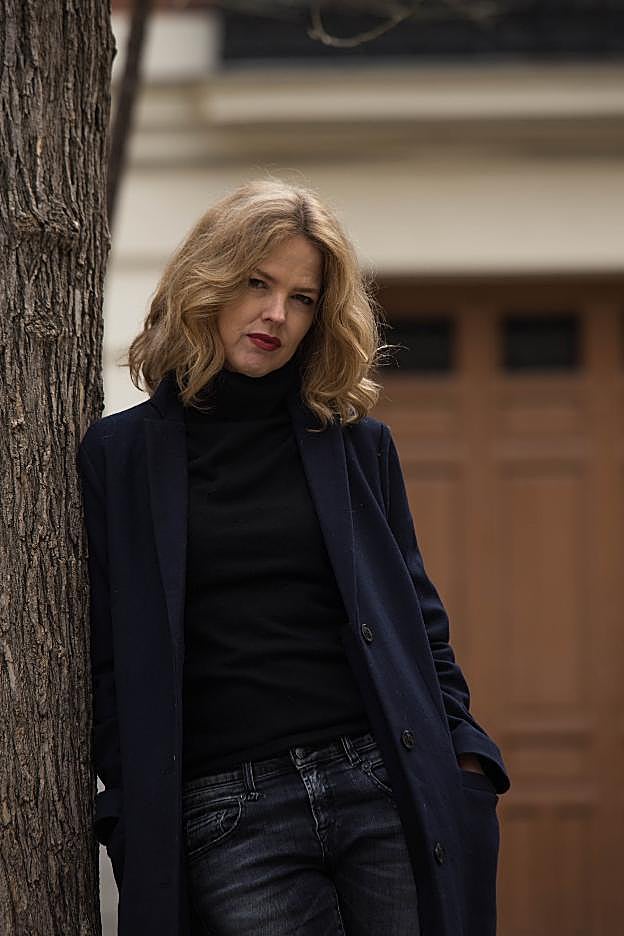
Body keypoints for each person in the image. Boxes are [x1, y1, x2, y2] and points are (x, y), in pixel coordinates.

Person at [78, 177, 510, 936]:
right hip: (227, 814)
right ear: (208, 282)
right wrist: (131, 803)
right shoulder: (118, 456)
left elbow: (418, 619)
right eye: (258, 283)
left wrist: (464, 756)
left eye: (302, 298)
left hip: (379, 781)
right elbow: (105, 658)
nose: (277, 314)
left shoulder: (357, 446)